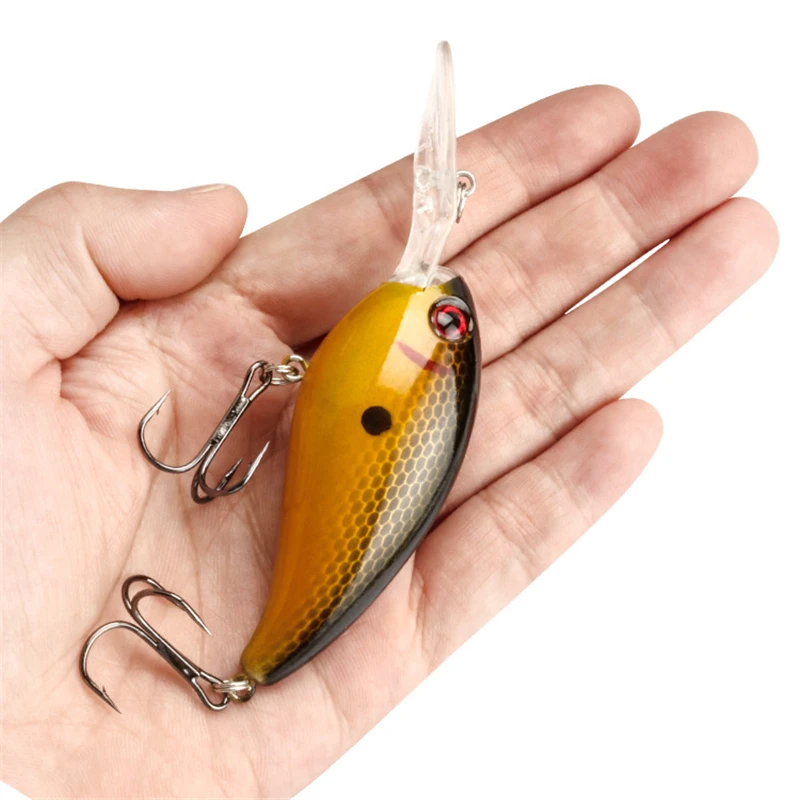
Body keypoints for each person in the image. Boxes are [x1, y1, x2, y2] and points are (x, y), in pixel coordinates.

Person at [0, 86, 777, 799]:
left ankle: (267, 657)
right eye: (448, 323)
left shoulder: (418, 354)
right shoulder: (398, 320)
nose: (443, 320)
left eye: (447, 326)